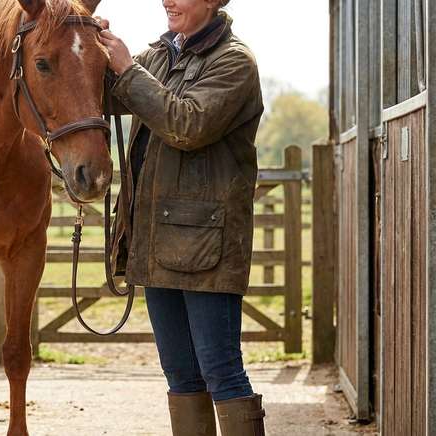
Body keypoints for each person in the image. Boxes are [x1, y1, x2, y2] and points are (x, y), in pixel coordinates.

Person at [98, 1, 266, 435]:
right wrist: (83, 43)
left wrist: (126, 68)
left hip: (207, 247)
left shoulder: (233, 62)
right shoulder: (158, 55)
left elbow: (186, 125)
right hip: (156, 242)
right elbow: (105, 98)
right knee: (181, 377)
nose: (168, 0)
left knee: (222, 375)